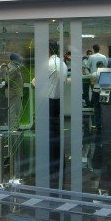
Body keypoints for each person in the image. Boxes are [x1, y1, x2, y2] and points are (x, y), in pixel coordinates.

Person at [47, 42, 68, 182]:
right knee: (56, 133)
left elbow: (35, 83)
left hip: (49, 102)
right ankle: (59, 161)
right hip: (59, 101)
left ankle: (52, 163)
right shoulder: (63, 64)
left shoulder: (48, 64)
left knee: (50, 134)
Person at [5, 53, 24, 131]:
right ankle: (13, 129)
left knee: (17, 110)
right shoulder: (13, 68)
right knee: (14, 111)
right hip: (13, 93)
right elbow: (7, 81)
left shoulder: (14, 67)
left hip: (15, 92)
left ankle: (15, 127)